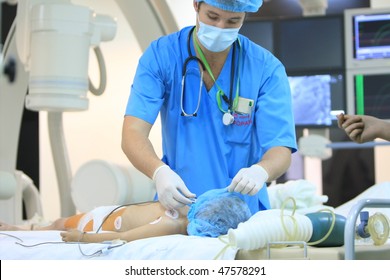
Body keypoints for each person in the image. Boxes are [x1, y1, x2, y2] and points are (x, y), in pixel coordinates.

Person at [121, 0, 297, 214]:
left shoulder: (265, 69)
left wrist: (261, 171)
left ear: (244, 16)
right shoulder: (162, 56)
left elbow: (280, 148)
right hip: (179, 207)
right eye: (212, 17)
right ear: (196, 4)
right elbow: (133, 132)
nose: (221, 27)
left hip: (242, 213)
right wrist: (158, 172)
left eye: (233, 20)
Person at [0, 189, 251, 243]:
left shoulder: (170, 225)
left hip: (97, 225)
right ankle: (26, 228)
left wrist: (84, 238)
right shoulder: (186, 204)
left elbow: (126, 237)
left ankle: (18, 230)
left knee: (57, 224)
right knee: (56, 221)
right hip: (105, 214)